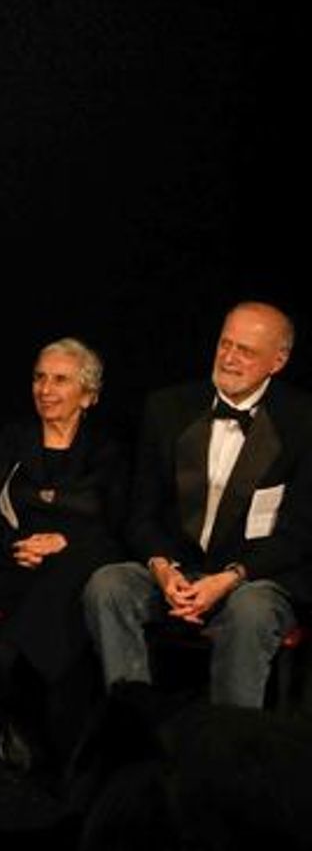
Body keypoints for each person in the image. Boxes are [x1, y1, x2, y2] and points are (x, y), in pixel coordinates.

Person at [83, 300, 312, 708]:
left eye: (246, 351)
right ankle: (133, 723)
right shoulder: (168, 407)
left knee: (251, 611)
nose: (229, 358)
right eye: (226, 344)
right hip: (178, 570)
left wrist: (228, 579)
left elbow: (298, 535)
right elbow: (142, 513)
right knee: (109, 586)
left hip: (252, 578)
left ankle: (227, 738)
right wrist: (163, 569)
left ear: (277, 362)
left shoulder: (302, 421)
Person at [0, 337, 128, 770]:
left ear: (88, 395)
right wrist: (17, 543)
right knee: (65, 606)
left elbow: (114, 521)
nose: (45, 389)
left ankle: (3, 669)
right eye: (39, 378)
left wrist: (64, 541)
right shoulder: (12, 438)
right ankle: (66, 747)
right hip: (12, 558)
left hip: (76, 559)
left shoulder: (106, 449)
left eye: (60, 380)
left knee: (76, 579)